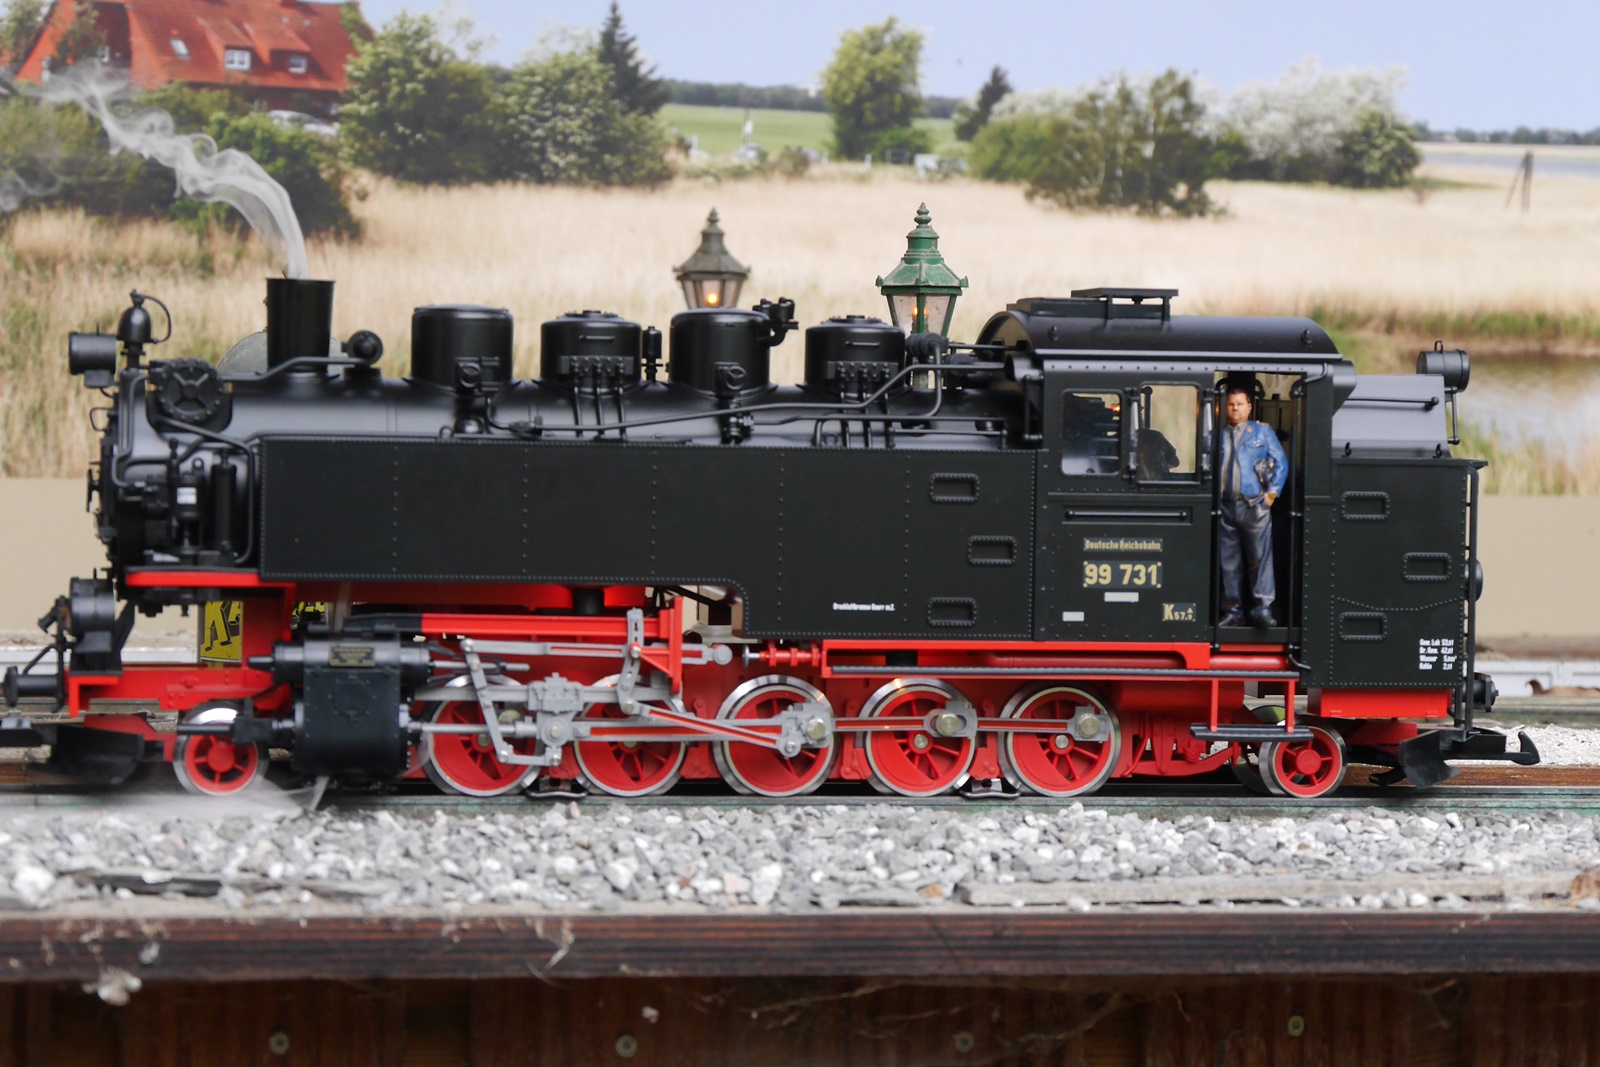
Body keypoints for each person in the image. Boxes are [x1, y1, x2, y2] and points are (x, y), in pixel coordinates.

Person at [1218, 385, 1288, 627]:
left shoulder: (1262, 432)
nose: (1235, 408)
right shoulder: (1218, 435)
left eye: (1240, 404)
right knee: (1229, 562)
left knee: (1260, 558)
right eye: (1231, 404)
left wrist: (1271, 495)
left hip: (1254, 505)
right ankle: (1233, 611)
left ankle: (1262, 608)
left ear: (1249, 407)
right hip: (1226, 505)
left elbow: (1281, 463)